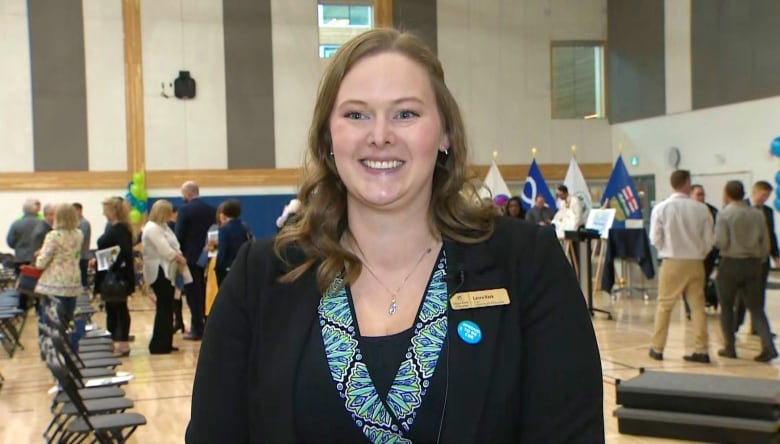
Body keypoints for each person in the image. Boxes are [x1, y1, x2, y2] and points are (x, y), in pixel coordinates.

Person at [187, 29, 603, 443]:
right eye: (356, 114)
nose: (381, 134)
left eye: (405, 113)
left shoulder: (528, 265)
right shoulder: (260, 278)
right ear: (327, 138)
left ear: (444, 135)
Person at [648, 170, 714, 363]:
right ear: (687, 184)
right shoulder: (702, 209)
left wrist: (668, 249)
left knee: (665, 306)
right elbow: (710, 239)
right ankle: (701, 349)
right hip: (695, 262)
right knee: (698, 307)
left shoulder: (661, 208)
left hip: (672, 260)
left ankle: (657, 348)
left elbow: (655, 238)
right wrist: (699, 253)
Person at [714, 181, 777, 362]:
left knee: (726, 306)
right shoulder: (758, 214)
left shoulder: (724, 214)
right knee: (756, 308)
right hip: (754, 264)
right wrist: (761, 259)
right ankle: (768, 346)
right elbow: (765, 243)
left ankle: (729, 347)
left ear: (727, 194)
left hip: (731, 263)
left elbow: (722, 242)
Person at [142, 200, 187, 354]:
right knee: (163, 307)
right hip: (159, 271)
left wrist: (178, 253)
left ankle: (166, 341)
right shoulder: (152, 228)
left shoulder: (164, 227)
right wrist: (178, 257)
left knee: (168, 307)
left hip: (168, 270)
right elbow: (164, 249)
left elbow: (174, 244)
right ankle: (158, 344)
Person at [92, 197, 135, 357]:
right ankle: (112, 340)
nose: (103, 212)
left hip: (117, 276)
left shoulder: (121, 228)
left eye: (106, 208)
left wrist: (112, 266)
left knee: (119, 308)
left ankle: (122, 343)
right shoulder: (112, 227)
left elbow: (123, 251)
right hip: (110, 273)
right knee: (112, 309)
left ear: (113, 210)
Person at [735, 180, 779, 335]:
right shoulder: (741, 209)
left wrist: (776, 255)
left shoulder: (767, 211)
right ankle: (735, 324)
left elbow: (771, 234)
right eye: (763, 195)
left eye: (767, 196)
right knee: (742, 294)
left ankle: (757, 326)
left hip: (762, 258)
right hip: (744, 258)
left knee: (759, 293)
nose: (765, 198)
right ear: (754, 192)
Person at [176, 181, 215, 340]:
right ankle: (208, 325)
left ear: (187, 194)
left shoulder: (185, 210)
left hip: (189, 258)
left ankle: (196, 328)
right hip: (207, 255)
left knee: (192, 293)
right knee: (206, 292)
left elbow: (179, 234)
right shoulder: (211, 209)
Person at [34, 203, 84, 325]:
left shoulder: (53, 235)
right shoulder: (79, 234)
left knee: (52, 321)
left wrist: (39, 255)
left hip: (54, 283)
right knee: (68, 319)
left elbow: (42, 262)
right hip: (73, 281)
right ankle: (67, 342)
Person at [215, 199, 250, 286]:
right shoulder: (245, 227)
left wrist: (218, 267)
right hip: (242, 266)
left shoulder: (224, 229)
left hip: (227, 268)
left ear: (225, 212)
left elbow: (223, 250)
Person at [6, 199, 41, 275]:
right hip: (36, 259)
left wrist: (19, 247)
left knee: (20, 283)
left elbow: (10, 241)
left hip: (20, 258)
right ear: (36, 210)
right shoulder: (41, 224)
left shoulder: (16, 224)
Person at [73, 203, 92, 290]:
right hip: (77, 255)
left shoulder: (84, 223)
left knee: (82, 278)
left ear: (79, 210)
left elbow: (81, 238)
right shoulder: (75, 223)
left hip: (82, 255)